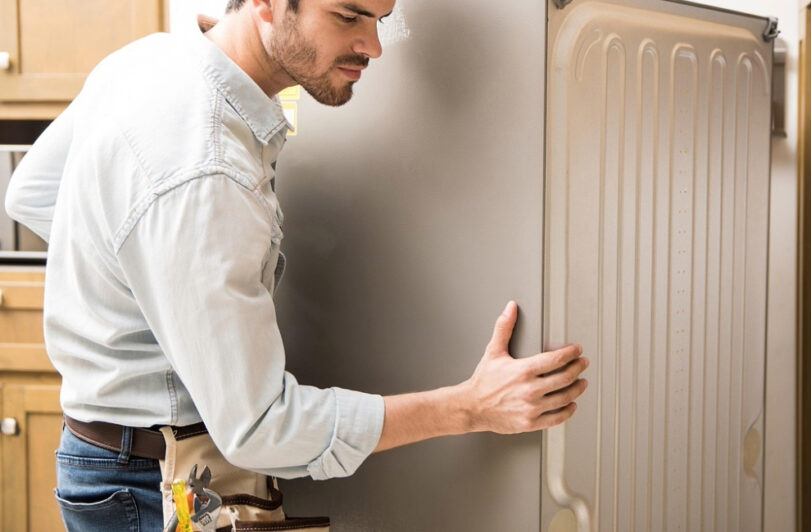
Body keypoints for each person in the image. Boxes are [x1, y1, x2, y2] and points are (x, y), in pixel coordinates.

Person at [5, 0, 589, 530]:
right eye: (348, 16)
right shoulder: (206, 168)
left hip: (108, 457)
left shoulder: (149, 59)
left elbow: (29, 193)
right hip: (159, 486)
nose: (375, 45)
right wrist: (471, 407)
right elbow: (260, 427)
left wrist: (162, 281)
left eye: (379, 19)